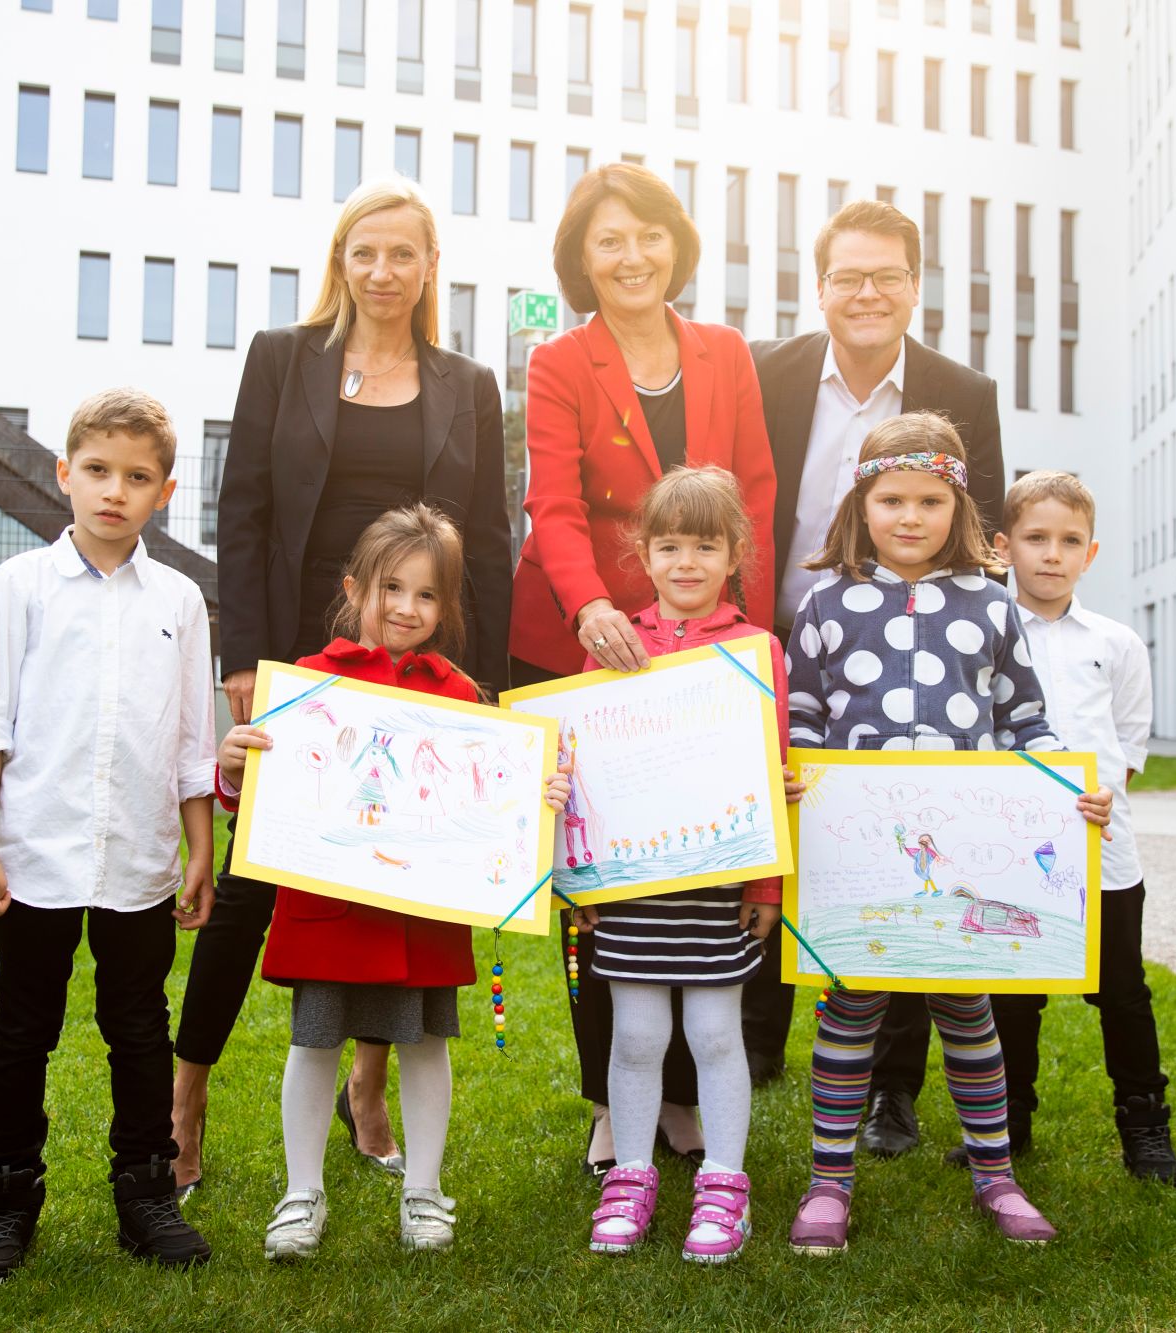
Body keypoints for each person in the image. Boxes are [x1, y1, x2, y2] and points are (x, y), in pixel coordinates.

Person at [173, 177, 511, 1193]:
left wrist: (481, 690)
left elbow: (488, 540)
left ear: (426, 268)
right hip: (295, 655)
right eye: (364, 252)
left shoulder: (468, 383)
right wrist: (243, 657)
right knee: (251, 881)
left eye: (402, 253)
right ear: (340, 260)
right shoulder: (283, 359)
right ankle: (183, 1099)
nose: (382, 271)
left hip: (414, 657)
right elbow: (242, 506)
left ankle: (366, 1089)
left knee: (390, 872)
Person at [782, 413, 1115, 1252]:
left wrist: (1067, 794)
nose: (909, 516)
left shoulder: (990, 606)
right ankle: (829, 1181)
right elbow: (804, 717)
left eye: (929, 499)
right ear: (862, 502)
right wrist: (798, 774)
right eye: (890, 497)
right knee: (848, 1012)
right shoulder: (824, 606)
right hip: (856, 857)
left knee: (968, 1012)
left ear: (958, 508)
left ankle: (995, 1174)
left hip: (964, 861)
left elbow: (1025, 720)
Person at [510, 162, 778, 1175]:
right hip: (593, 638)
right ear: (581, 258)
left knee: (703, 864)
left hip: (707, 637)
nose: (630, 256)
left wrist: (734, 612)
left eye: (648, 235)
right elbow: (555, 504)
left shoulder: (723, 353)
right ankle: (611, 1102)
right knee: (607, 881)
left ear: (677, 243)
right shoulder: (558, 359)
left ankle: (686, 1099)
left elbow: (751, 483)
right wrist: (590, 607)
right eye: (606, 241)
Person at [215, 505, 571, 1257]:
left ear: (447, 608)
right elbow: (259, 801)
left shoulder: (462, 697)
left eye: (428, 595)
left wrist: (534, 801)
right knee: (313, 1043)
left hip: (423, 909)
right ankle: (299, 1192)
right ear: (355, 588)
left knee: (426, 1044)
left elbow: (493, 802)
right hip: (327, 902)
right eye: (392, 588)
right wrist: (233, 769)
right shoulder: (306, 685)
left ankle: (425, 1192)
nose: (408, 608)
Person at [745, 200, 1009, 1159]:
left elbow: (976, 527)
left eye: (887, 275)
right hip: (783, 632)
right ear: (820, 287)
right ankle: (763, 1038)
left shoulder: (961, 389)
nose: (867, 292)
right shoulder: (764, 370)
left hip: (918, 643)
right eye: (848, 276)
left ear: (913, 284)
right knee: (789, 830)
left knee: (914, 841)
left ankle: (895, 1087)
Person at [0, 389, 215, 1279]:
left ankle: (146, 1196)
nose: (114, 490)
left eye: (137, 477)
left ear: (164, 491)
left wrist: (200, 849)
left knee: (140, 1027)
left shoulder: (180, 599)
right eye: (98, 471)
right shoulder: (20, 586)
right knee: (23, 1028)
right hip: (36, 858)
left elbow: (189, 743)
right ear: (65, 474)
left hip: (139, 861)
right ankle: (5, 1200)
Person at [571, 467, 799, 1264]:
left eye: (706, 545)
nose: (687, 562)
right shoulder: (615, 647)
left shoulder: (756, 649)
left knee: (713, 1031)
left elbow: (773, 769)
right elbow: (586, 775)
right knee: (633, 1035)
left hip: (717, 890)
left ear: (736, 551)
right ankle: (630, 1176)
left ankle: (724, 1184)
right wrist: (581, 883)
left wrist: (767, 884)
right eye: (670, 545)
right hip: (633, 889)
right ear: (643, 551)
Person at [970, 470, 1176, 1182]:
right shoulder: (985, 633)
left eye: (1069, 541)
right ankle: (1009, 1122)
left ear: (1090, 554)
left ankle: (1145, 1125)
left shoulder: (1116, 642)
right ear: (1003, 547)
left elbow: (1128, 741)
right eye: (1035, 539)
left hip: (1105, 853)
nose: (1051, 555)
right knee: (1013, 993)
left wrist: (1101, 795)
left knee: (1122, 989)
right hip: (1011, 857)